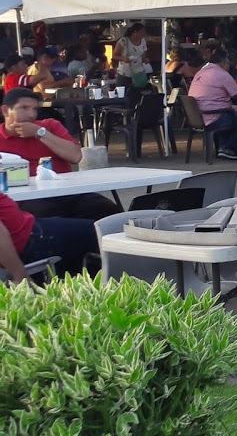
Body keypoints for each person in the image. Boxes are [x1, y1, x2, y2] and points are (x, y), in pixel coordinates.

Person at [0, 88, 117, 221]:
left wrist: (40, 133)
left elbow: (75, 156)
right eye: (24, 108)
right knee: (47, 214)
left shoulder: (50, 126)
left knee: (106, 209)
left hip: (68, 191)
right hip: (28, 197)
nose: (31, 115)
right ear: (5, 110)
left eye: (34, 109)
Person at [0, 190, 95, 277]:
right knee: (100, 232)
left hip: (31, 229)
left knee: (98, 209)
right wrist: (19, 275)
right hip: (29, 241)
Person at [188, 49, 237, 160]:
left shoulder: (201, 72)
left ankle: (224, 148)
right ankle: (229, 148)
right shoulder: (222, 74)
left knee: (230, 114)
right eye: (228, 64)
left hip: (199, 117)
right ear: (223, 64)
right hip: (213, 117)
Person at [112, 22, 152, 86]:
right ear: (135, 32)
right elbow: (114, 56)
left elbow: (143, 57)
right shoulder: (124, 41)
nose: (143, 34)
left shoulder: (143, 41)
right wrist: (123, 58)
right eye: (141, 32)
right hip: (125, 73)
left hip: (139, 73)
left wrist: (146, 60)